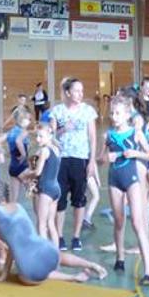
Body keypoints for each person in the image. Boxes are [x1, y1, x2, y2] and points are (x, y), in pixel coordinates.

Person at [0, 181, 108, 286]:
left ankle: (72, 277)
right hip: (47, 249)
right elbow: (12, 246)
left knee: (23, 275)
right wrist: (3, 275)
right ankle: (92, 264)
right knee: (58, 257)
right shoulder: (18, 206)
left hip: (30, 270)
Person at [104, 94, 149, 283]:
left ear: (127, 115)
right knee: (119, 221)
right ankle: (120, 258)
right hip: (114, 179)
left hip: (132, 179)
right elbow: (100, 159)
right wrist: (105, 158)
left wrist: (135, 153)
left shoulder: (136, 133)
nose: (114, 117)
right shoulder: (108, 135)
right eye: (112, 113)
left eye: (118, 113)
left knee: (137, 222)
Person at [49, 78, 97, 253]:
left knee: (79, 199)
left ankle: (76, 237)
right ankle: (59, 236)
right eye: (76, 91)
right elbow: (50, 136)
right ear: (68, 92)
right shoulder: (57, 111)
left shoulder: (88, 111)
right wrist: (63, 129)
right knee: (60, 200)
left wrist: (92, 161)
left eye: (81, 91)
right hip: (61, 159)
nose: (80, 94)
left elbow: (92, 137)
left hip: (80, 158)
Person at [28, 121, 62, 245]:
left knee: (41, 225)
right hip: (56, 189)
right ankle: (56, 252)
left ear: (50, 136)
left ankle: (44, 253)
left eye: (41, 136)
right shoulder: (56, 149)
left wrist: (26, 175)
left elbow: (37, 172)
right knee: (51, 223)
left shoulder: (44, 151)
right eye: (36, 136)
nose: (37, 139)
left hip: (46, 190)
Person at [5, 107, 31, 204]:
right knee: (35, 191)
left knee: (14, 198)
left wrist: (4, 152)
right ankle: (41, 213)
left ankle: (12, 210)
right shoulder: (23, 132)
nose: (29, 122)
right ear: (22, 120)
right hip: (22, 166)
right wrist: (23, 154)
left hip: (13, 166)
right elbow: (18, 141)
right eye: (28, 119)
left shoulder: (11, 131)